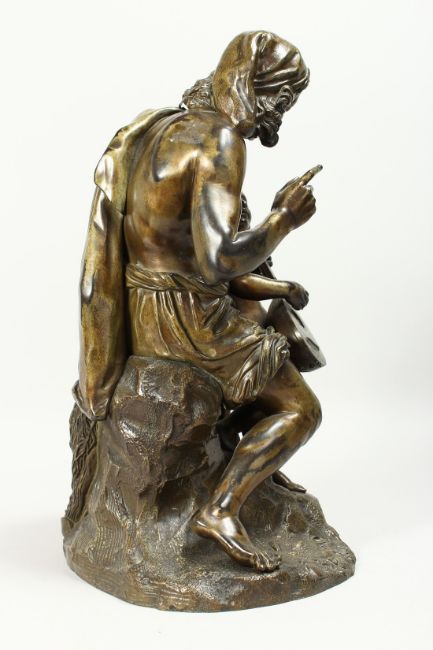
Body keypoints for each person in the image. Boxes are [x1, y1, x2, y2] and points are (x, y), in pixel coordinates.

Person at [77, 31, 322, 572]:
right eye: (281, 98)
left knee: (268, 320)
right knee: (301, 410)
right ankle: (221, 509)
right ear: (251, 84)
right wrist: (284, 218)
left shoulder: (162, 128)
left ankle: (237, 450)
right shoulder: (220, 142)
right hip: (187, 321)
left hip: (143, 309)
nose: (279, 115)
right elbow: (218, 262)